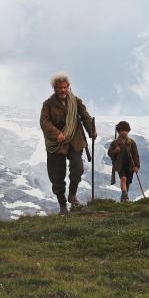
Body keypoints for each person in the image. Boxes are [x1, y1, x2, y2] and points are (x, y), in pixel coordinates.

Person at [40, 73, 96, 214]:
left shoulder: (75, 101)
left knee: (78, 167)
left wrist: (91, 130)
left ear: (68, 87)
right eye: (60, 88)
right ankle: (62, 205)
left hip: (75, 141)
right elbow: (45, 122)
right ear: (54, 88)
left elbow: (85, 117)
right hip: (56, 144)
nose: (63, 90)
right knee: (57, 175)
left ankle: (72, 195)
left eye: (65, 87)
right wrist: (56, 133)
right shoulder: (48, 104)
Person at [108, 121, 140, 202]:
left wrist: (137, 166)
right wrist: (115, 151)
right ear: (119, 131)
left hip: (130, 166)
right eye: (122, 130)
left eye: (126, 130)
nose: (124, 132)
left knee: (127, 183)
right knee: (123, 179)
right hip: (120, 165)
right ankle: (126, 198)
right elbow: (109, 153)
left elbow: (136, 155)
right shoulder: (115, 143)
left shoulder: (132, 142)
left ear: (128, 131)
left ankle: (123, 200)